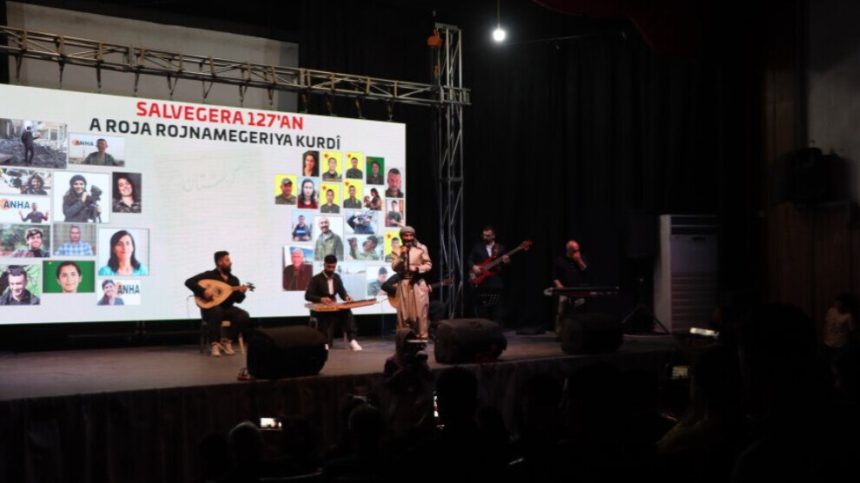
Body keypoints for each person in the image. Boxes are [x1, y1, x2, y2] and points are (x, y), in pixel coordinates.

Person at [185, 251, 252, 357]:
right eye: (227, 260)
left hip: (227, 308)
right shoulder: (209, 275)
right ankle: (214, 344)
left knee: (243, 315)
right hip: (210, 309)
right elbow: (188, 282)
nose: (231, 262)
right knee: (217, 311)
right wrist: (203, 291)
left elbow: (238, 300)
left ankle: (227, 341)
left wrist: (241, 292)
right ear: (219, 262)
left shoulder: (234, 280)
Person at [305, 255, 362, 350]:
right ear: (324, 265)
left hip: (333, 308)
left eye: (333, 267)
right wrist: (321, 299)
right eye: (329, 267)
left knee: (347, 312)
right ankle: (324, 342)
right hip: (320, 309)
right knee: (324, 318)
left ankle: (352, 340)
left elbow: (342, 292)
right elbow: (308, 296)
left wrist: (346, 297)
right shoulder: (316, 279)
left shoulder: (337, 277)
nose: (331, 269)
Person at [391, 226, 432, 339]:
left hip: (418, 283)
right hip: (403, 283)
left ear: (414, 236)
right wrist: (402, 256)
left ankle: (421, 339)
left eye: (411, 235)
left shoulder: (421, 248)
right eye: (406, 235)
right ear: (402, 237)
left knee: (419, 314)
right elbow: (394, 267)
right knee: (403, 315)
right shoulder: (397, 250)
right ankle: (404, 341)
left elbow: (428, 264)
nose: (408, 238)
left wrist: (418, 268)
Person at [467, 226, 509, 324]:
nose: (485, 237)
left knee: (496, 305)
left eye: (488, 236)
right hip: (482, 281)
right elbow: (469, 260)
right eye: (484, 235)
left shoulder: (500, 248)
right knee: (483, 307)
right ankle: (484, 326)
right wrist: (473, 267)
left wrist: (506, 262)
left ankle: (497, 326)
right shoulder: (477, 247)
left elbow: (506, 265)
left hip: (495, 280)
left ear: (493, 236)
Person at [552, 240, 590, 334]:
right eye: (574, 251)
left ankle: (579, 333)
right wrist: (560, 287)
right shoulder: (560, 260)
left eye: (578, 250)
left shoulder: (582, 258)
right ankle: (559, 333)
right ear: (568, 250)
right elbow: (555, 276)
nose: (577, 252)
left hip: (579, 290)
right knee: (562, 312)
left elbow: (586, 272)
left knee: (579, 311)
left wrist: (579, 261)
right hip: (565, 290)